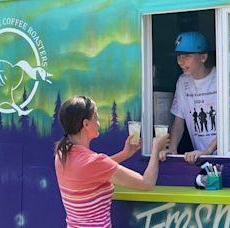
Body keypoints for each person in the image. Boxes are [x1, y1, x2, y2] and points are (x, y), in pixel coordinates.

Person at [54, 96, 168, 227]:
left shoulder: (62, 155)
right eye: (96, 118)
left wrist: (124, 154)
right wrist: (156, 149)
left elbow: (92, 171)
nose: (98, 123)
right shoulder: (93, 163)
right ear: (85, 124)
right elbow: (147, 183)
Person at [159, 31, 217, 164]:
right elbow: (179, 120)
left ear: (203, 57)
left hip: (223, 154)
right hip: (199, 157)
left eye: (187, 56)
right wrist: (172, 149)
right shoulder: (182, 81)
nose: (180, 61)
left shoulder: (220, 78)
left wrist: (207, 151)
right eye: (179, 56)